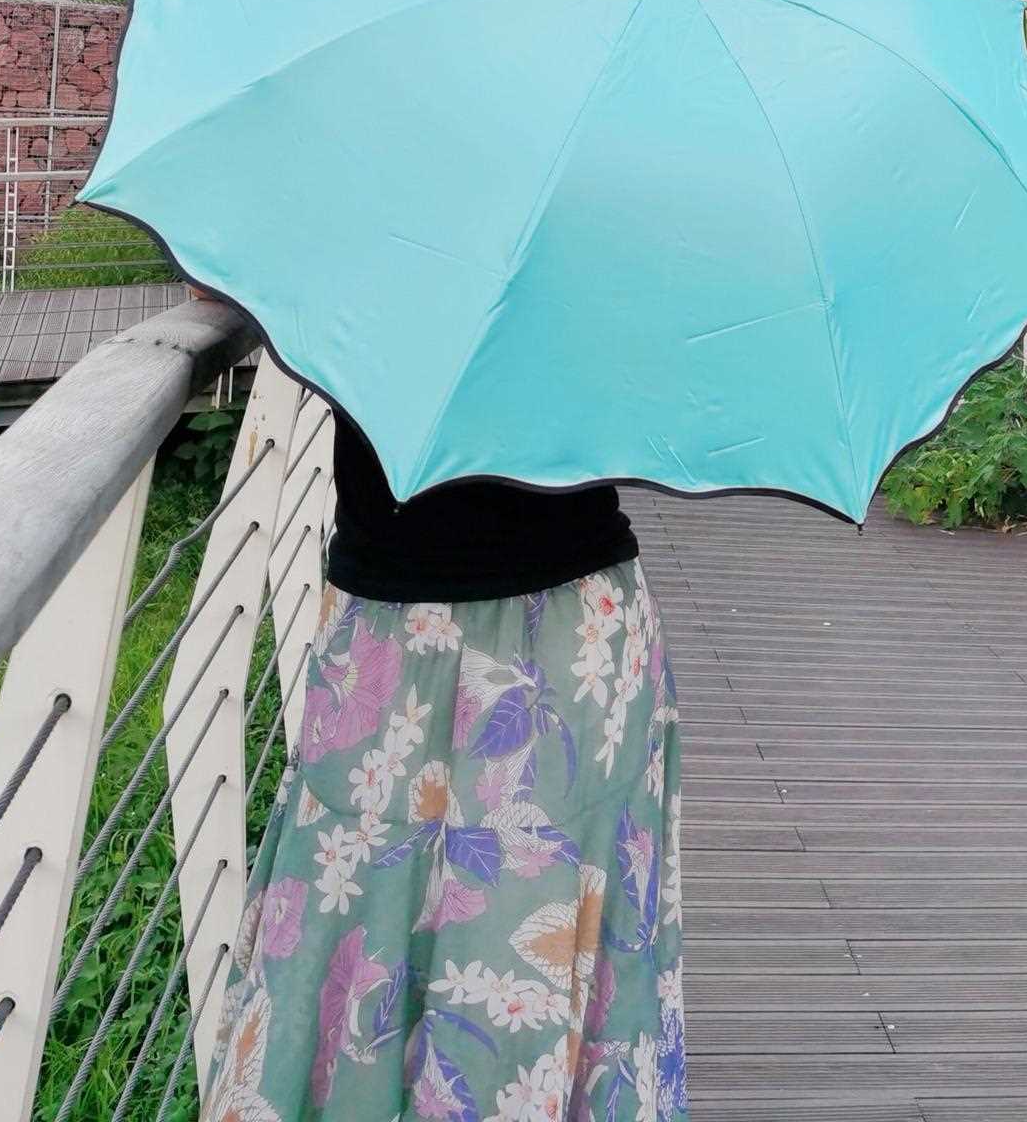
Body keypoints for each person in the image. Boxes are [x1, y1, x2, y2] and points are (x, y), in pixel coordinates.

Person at [201, 400, 688, 1121]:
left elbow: (222, 288)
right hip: (548, 639)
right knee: (425, 967)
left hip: (491, 635)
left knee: (366, 957)